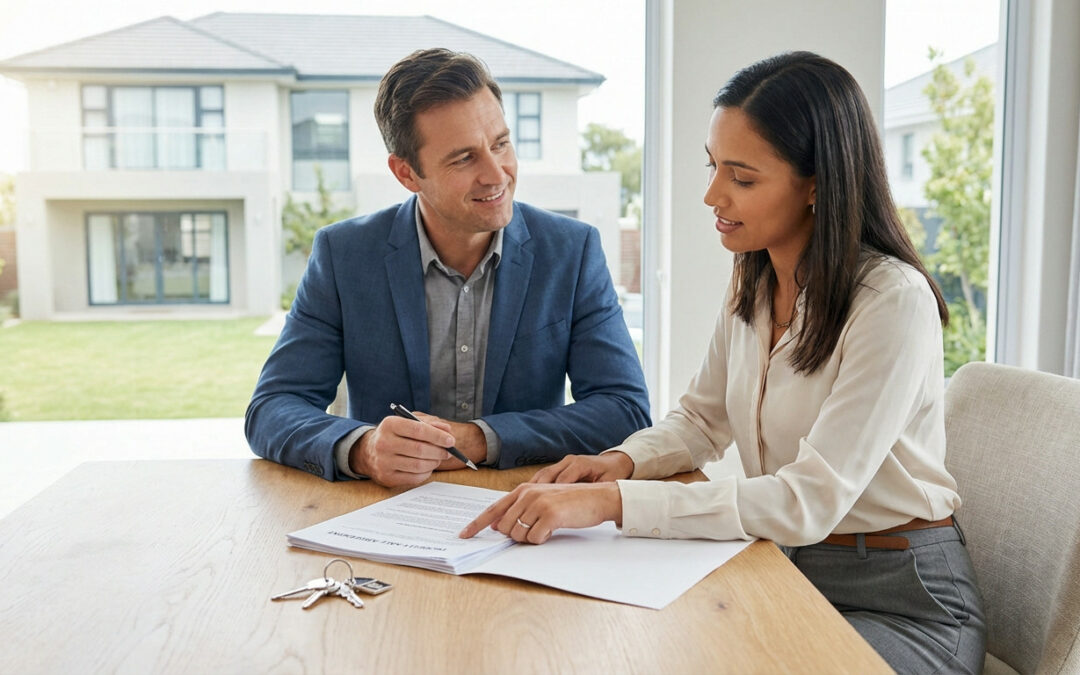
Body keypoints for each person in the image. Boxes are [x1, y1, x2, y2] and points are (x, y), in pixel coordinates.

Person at [461, 51, 986, 673]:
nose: (712, 194)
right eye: (713, 166)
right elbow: (701, 421)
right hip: (783, 566)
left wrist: (615, 503)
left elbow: (807, 502)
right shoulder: (756, 282)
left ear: (816, 184)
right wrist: (618, 463)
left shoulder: (892, 301)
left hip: (901, 596)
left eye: (743, 178)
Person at [246, 48, 650, 488]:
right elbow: (272, 408)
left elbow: (624, 408)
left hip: (524, 505)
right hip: (384, 508)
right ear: (407, 173)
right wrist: (364, 449)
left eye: (500, 144)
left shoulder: (572, 251)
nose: (497, 174)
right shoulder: (343, 255)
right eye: (464, 158)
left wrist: (479, 439)